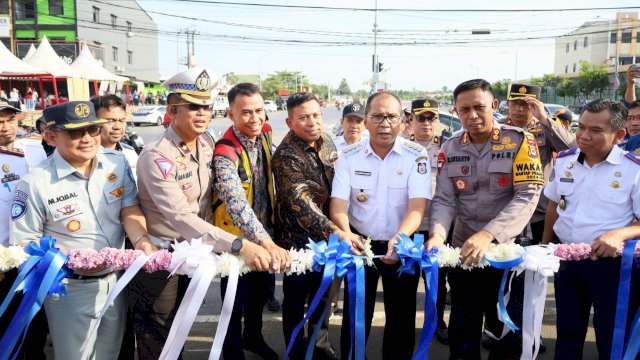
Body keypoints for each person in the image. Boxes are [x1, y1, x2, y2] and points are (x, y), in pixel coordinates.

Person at [130, 68, 272, 359]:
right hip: (163, 258)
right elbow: (181, 216)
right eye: (192, 107)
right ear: (171, 111)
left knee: (182, 327)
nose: (202, 113)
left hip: (196, 253)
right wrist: (236, 243)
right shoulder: (157, 156)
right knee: (161, 337)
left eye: (206, 107)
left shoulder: (206, 143)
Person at [10, 101, 153, 359]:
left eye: (93, 130)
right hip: (68, 289)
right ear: (51, 136)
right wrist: (70, 259)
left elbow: (128, 208)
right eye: (76, 132)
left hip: (114, 281)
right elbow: (24, 244)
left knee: (109, 354)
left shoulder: (116, 163)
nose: (87, 138)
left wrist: (141, 239)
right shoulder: (34, 183)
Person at [427, 79, 544, 359]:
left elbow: (527, 195)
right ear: (456, 112)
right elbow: (444, 199)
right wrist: (438, 236)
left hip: (507, 252)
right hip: (464, 253)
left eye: (479, 107)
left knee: (505, 328)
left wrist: (488, 234)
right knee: (463, 327)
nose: (473, 115)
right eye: (464, 109)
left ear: (493, 106)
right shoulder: (451, 147)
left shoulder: (521, 141)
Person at [330, 91, 431, 360]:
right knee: (356, 314)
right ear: (365, 120)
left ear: (403, 121)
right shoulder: (349, 156)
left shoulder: (416, 155)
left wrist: (399, 238)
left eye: (392, 117)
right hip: (359, 243)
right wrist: (347, 234)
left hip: (402, 243)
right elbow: (338, 205)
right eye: (377, 116)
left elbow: (417, 207)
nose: (385, 123)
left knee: (401, 316)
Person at [542, 99, 640, 359]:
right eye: (581, 127)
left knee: (611, 336)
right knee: (567, 333)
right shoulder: (565, 162)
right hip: (568, 262)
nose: (584, 136)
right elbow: (554, 206)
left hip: (613, 266)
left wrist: (618, 234)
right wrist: (545, 245)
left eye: (596, 130)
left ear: (619, 135)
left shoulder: (633, 169)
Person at [273, 92, 353, 360]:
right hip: (298, 243)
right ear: (289, 121)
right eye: (303, 117)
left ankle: (319, 347)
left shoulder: (327, 142)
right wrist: (337, 231)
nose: (312, 122)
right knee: (296, 302)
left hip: (329, 242)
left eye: (316, 115)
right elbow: (300, 202)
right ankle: (295, 350)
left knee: (324, 299)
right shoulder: (286, 154)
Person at [212, 82, 289, 360]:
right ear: (231, 114)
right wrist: (266, 243)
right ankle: (231, 352)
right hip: (235, 242)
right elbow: (237, 205)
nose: (254, 118)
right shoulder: (224, 153)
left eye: (259, 110)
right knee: (233, 303)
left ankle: (253, 338)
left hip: (265, 233)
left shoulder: (266, 133)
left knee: (258, 296)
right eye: (245, 113)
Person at [0, 97, 47, 359]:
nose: (5, 126)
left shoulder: (34, 151)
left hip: (32, 257)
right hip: (2, 262)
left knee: (34, 328)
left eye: (10, 119)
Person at [504, 83, 575, 244]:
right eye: (515, 103)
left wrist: (544, 119)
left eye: (526, 105)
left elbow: (573, 150)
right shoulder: (499, 128)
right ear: (508, 103)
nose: (519, 109)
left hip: (538, 210)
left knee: (538, 260)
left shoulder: (546, 128)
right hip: (505, 209)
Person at [408, 97, 449, 345]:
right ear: (410, 119)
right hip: (410, 226)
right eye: (420, 117)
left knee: (437, 280)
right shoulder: (401, 146)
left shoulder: (448, 146)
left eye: (431, 117)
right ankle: (405, 321)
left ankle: (437, 321)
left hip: (437, 227)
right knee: (407, 279)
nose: (426, 123)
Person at [92, 95, 138, 181]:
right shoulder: (88, 159)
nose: (117, 127)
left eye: (121, 121)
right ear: (94, 123)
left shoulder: (130, 153)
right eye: (110, 121)